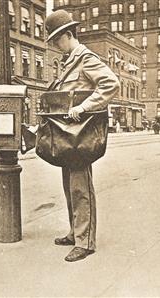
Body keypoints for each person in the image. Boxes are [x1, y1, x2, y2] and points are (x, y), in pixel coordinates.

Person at [45, 10, 120, 262]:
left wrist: (84, 107)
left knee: (80, 188)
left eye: (57, 40)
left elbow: (111, 84)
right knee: (70, 186)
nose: (56, 45)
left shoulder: (86, 58)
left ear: (68, 35)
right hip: (68, 135)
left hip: (81, 134)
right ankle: (75, 232)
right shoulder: (69, 62)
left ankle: (85, 242)